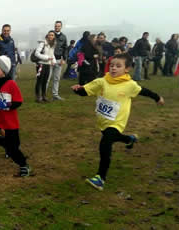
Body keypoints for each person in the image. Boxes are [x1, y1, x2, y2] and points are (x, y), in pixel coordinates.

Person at [71, 53, 164, 191]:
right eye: (112, 65)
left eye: (118, 66)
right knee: (111, 136)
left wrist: (157, 98)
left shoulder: (129, 85)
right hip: (103, 120)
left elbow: (144, 91)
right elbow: (87, 91)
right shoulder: (102, 81)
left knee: (105, 142)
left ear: (127, 69)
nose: (113, 68)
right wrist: (78, 89)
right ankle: (129, 139)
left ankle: (100, 178)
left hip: (117, 121)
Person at [0, 55, 30, 177]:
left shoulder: (11, 84)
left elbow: (18, 101)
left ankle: (24, 166)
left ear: (4, 70)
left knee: (13, 149)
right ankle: (4, 143)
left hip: (10, 123)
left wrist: (6, 105)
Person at [34, 31, 57, 103]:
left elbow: (52, 54)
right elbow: (36, 53)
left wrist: (54, 61)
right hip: (41, 64)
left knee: (45, 81)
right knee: (39, 81)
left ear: (54, 37)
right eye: (49, 35)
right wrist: (46, 58)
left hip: (48, 65)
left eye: (52, 35)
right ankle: (38, 97)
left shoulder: (53, 44)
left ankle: (44, 96)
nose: (51, 36)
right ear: (47, 35)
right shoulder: (43, 43)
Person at [48, 21, 68, 101]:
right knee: (47, 78)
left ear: (61, 27)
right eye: (56, 26)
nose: (57, 27)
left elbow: (65, 48)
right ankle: (43, 95)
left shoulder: (64, 37)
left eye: (58, 26)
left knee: (56, 78)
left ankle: (55, 95)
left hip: (59, 60)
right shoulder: (50, 35)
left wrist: (64, 59)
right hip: (50, 60)